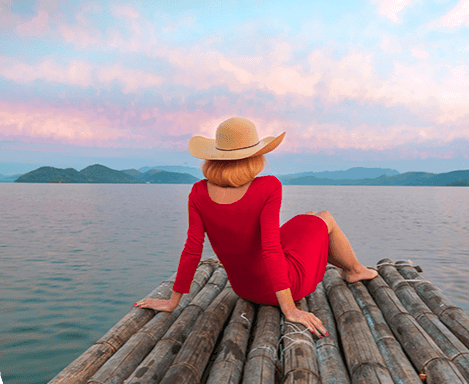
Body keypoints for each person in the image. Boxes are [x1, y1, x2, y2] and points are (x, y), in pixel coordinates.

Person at [134, 117, 380, 338]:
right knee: (324, 217)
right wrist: (290, 309)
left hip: (244, 288)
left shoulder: (198, 191)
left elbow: (192, 249)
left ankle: (349, 265)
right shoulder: (268, 186)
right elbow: (271, 249)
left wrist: (171, 302)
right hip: (284, 288)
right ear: (254, 155)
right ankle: (356, 269)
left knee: (308, 216)